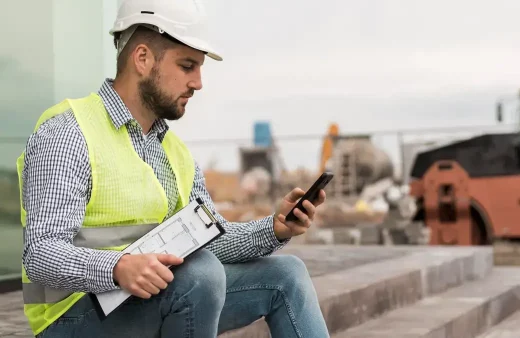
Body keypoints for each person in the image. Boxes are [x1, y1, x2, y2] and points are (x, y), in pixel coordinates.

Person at [17, 1, 330, 337]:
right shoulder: (69, 133)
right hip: (73, 316)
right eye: (187, 66)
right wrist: (118, 267)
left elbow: (208, 241)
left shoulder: (175, 153)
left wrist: (275, 229)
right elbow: (40, 254)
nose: (198, 83)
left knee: (287, 274)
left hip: (151, 299)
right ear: (142, 59)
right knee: (201, 276)